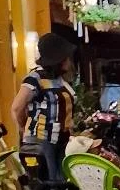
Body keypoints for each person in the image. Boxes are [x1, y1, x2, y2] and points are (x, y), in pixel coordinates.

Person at [11, 33, 75, 180]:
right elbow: (16, 108)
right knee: (46, 184)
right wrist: (24, 128)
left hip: (61, 140)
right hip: (42, 140)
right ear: (57, 59)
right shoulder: (35, 78)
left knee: (60, 183)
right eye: (65, 56)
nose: (68, 60)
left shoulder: (59, 80)